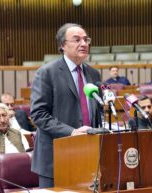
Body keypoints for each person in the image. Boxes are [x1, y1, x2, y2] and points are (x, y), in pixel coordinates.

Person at [30, 23, 102, 188]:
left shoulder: (93, 73)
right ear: (63, 45)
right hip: (56, 158)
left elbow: (97, 111)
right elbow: (39, 114)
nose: (84, 44)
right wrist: (72, 132)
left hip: (89, 156)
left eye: (86, 39)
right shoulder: (47, 72)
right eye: (77, 40)